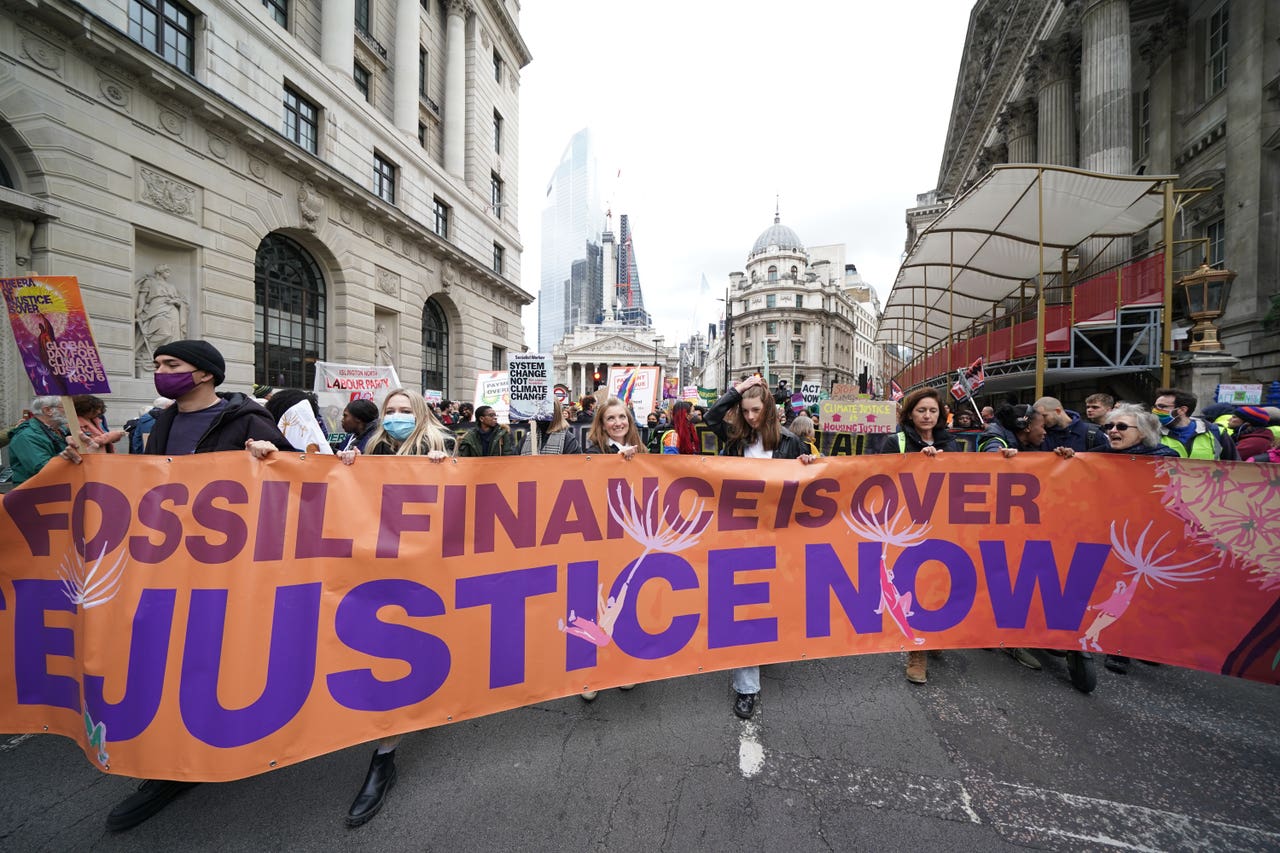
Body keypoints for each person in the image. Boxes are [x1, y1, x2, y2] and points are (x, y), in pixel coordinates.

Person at [58, 339, 293, 832]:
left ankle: (208, 746)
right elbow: (148, 485)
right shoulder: (160, 421)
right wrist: (94, 465)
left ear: (204, 374)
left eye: (171, 365)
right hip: (165, 563)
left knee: (214, 653)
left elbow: (298, 482)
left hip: (226, 569)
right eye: (159, 363)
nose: (160, 370)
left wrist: (273, 456)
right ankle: (173, 762)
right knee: (167, 656)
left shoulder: (250, 422)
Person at [336, 387, 452, 826]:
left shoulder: (442, 447)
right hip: (376, 566)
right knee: (382, 650)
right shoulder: (368, 445)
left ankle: (387, 753)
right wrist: (347, 470)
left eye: (406, 411)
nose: (398, 416)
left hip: (426, 573)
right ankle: (384, 750)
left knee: (416, 651)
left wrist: (447, 471)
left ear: (419, 414)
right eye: (392, 410)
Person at [704, 374, 815, 719]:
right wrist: (738, 388)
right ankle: (746, 688)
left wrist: (810, 466)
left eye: (756, 410)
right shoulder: (736, 437)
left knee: (774, 601)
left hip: (779, 536)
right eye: (745, 410)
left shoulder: (791, 442)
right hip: (740, 534)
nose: (750, 417)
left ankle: (767, 648)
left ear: (768, 409)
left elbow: (807, 488)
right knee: (745, 607)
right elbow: (710, 418)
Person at [871, 387, 960, 684]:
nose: (927, 416)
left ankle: (933, 636)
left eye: (933, 411)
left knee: (938, 580)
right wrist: (916, 461)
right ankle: (916, 653)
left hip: (942, 521)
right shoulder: (894, 441)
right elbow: (881, 477)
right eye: (922, 410)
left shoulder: (951, 442)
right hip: (905, 526)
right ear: (910, 413)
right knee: (914, 583)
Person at [980, 403, 1076, 673]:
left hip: (1029, 525)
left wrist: (1062, 459)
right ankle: (1009, 640)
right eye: (1041, 426)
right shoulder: (997, 439)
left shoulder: (1036, 446)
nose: (1044, 431)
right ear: (1025, 427)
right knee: (1007, 578)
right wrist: (1001, 457)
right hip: (1000, 525)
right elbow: (990, 453)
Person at [1153, 388, 1237, 460]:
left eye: (1161, 406)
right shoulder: (1152, 433)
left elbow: (1235, 465)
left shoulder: (1216, 432)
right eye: (1155, 406)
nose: (1155, 410)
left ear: (1182, 410)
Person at [7, 396, 68, 484]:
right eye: (65, 406)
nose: (70, 411)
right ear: (48, 410)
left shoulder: (60, 430)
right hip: (34, 492)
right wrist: (70, 455)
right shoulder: (26, 436)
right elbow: (43, 469)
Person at [1033, 396, 1105, 453]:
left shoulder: (1092, 433)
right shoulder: (1041, 434)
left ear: (1058, 411)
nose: (1041, 420)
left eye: (1044, 416)